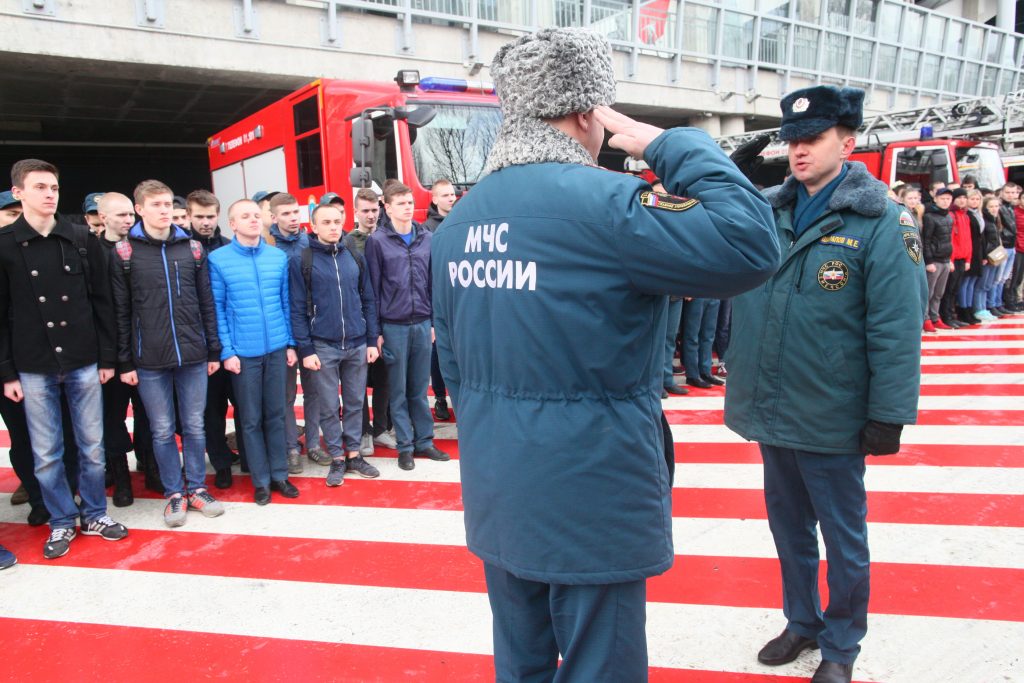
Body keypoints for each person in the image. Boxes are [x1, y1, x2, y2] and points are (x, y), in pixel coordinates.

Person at [432, 28, 779, 682]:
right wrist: (670, 143)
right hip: (590, 489)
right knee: (602, 666)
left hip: (499, 487)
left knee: (523, 662)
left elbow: (454, 368)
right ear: (589, 113)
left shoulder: (460, 221)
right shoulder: (605, 205)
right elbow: (751, 243)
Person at [724, 86, 927, 683]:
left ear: (848, 140)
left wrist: (889, 412)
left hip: (833, 413)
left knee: (843, 538)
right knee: (788, 529)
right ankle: (801, 621)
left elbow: (897, 326)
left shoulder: (883, 222)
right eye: (791, 140)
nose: (798, 150)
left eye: (812, 138)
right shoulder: (767, 209)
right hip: (772, 405)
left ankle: (841, 644)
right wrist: (721, 178)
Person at [0, 159, 128, 559]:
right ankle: (60, 520)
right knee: (47, 452)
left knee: (91, 446)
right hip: (32, 364)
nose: (49, 194)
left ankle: (93, 513)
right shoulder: (3, 244)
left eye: (53, 187)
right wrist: (6, 372)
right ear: (19, 193)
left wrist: (108, 356)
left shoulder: (79, 238)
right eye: (39, 187)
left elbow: (102, 302)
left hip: (83, 359)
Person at [110, 180, 225, 527]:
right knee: (161, 430)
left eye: (166, 204)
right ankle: (174, 493)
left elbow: (207, 303)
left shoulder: (191, 249)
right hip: (149, 360)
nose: (163, 211)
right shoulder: (125, 253)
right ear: (139, 209)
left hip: (192, 355)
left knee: (194, 426)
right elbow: (121, 312)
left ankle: (196, 489)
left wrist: (213, 350)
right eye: (155, 205)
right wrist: (125, 360)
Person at [209, 199, 300, 506]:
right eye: (244, 216)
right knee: (250, 419)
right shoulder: (219, 260)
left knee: (276, 414)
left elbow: (286, 303)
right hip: (243, 355)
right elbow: (218, 310)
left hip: (276, 348)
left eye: (255, 215)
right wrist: (227, 351)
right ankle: (260, 481)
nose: (252, 220)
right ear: (232, 224)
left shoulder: (277, 257)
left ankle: (279, 475)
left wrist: (289, 343)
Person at [289, 203, 380, 486]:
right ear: (313, 227)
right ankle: (337, 458)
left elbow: (368, 299)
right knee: (329, 405)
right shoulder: (302, 260)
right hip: (323, 345)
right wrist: (305, 349)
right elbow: (296, 308)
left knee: (355, 402)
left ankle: (354, 454)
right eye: (325, 222)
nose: (332, 227)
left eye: (336, 221)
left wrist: (371, 339)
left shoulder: (353, 255)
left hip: (356, 342)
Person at [366, 183, 449, 471]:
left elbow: (433, 283)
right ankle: (405, 446)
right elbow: (373, 290)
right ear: (387, 208)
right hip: (394, 326)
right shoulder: (377, 242)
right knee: (398, 391)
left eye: (410, 201)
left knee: (419, 388)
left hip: (423, 323)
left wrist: (434, 321)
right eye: (400, 203)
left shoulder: (426, 237)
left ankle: (424, 441)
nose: (408, 206)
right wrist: (375, 332)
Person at [187, 189, 245, 489]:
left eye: (211, 216)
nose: (206, 222)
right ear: (188, 216)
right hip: (201, 345)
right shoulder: (182, 249)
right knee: (212, 410)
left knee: (244, 403)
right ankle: (221, 462)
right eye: (200, 217)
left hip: (233, 342)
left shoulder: (227, 247)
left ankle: (247, 456)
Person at [95, 192, 149, 504]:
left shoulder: (142, 248)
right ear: (103, 218)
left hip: (144, 347)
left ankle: (150, 465)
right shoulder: (90, 251)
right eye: (120, 215)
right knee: (111, 416)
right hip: (109, 351)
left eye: (131, 214)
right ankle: (121, 477)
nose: (128, 220)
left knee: (150, 413)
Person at [268, 192, 324, 471]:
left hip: (311, 329)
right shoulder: (268, 246)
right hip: (282, 333)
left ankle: (313, 444)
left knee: (314, 391)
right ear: (273, 217)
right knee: (287, 395)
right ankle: (292, 446)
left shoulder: (309, 243)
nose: (292, 218)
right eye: (286, 214)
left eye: (295, 213)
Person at [344, 188, 395, 456]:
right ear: (356, 213)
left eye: (375, 209)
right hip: (360, 320)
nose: (371, 215)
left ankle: (381, 428)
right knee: (359, 381)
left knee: (385, 377)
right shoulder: (348, 242)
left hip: (386, 318)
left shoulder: (388, 237)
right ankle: (363, 432)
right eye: (365, 210)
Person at [423, 179, 457, 419]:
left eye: (453, 194)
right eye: (445, 195)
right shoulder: (427, 229)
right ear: (434, 199)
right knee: (438, 352)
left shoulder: (461, 222)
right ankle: (440, 397)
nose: (451, 198)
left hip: (459, 295)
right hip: (438, 297)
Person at [921, 188, 954, 331]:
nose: (946, 201)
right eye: (943, 198)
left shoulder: (948, 216)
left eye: (948, 199)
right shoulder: (929, 217)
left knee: (939, 293)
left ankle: (935, 317)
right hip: (934, 260)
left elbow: (949, 239)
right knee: (929, 291)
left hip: (945, 258)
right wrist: (928, 261)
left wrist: (950, 259)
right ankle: (925, 318)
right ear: (935, 199)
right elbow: (926, 240)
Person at [681, 297, 724, 388]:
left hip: (713, 292)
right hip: (696, 292)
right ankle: (692, 375)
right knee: (692, 335)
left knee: (708, 335)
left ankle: (705, 372)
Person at [974, 195, 1004, 321]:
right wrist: (985, 255)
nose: (994, 209)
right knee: (981, 284)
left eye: (996, 206)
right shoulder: (985, 220)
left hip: (995, 255)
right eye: (991, 206)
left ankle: (984, 307)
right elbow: (984, 241)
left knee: (988, 284)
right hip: (987, 256)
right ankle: (978, 309)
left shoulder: (994, 220)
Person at [993, 184, 1019, 314]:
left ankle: (998, 303)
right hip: (1002, 247)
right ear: (1002, 193)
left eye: (1013, 192)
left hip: (1011, 246)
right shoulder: (1000, 207)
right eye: (1008, 192)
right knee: (997, 278)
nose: (1011, 195)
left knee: (1004, 278)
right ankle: (993, 303)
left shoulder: (1010, 207)